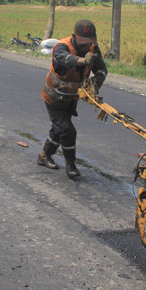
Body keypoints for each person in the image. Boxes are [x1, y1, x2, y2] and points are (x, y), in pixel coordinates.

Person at [38, 19, 107, 179]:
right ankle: (71, 165)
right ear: (74, 37)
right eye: (83, 43)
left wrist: (94, 84)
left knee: (59, 129)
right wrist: (82, 60)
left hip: (71, 99)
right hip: (53, 97)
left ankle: (44, 156)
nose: (86, 46)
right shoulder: (62, 46)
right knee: (67, 131)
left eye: (89, 43)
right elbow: (64, 59)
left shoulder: (93, 49)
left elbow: (102, 70)